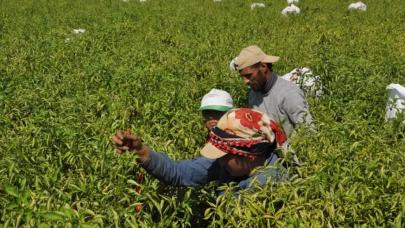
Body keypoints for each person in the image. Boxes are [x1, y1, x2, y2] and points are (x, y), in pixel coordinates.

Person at [112, 108, 288, 190]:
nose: (219, 160)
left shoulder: (270, 185)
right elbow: (180, 173)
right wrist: (140, 150)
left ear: (248, 155)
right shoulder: (226, 164)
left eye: (224, 156)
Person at [232, 45, 313, 137]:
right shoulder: (253, 94)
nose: (245, 81)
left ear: (263, 67)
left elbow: (309, 131)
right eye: (242, 77)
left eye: (249, 76)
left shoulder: (288, 94)